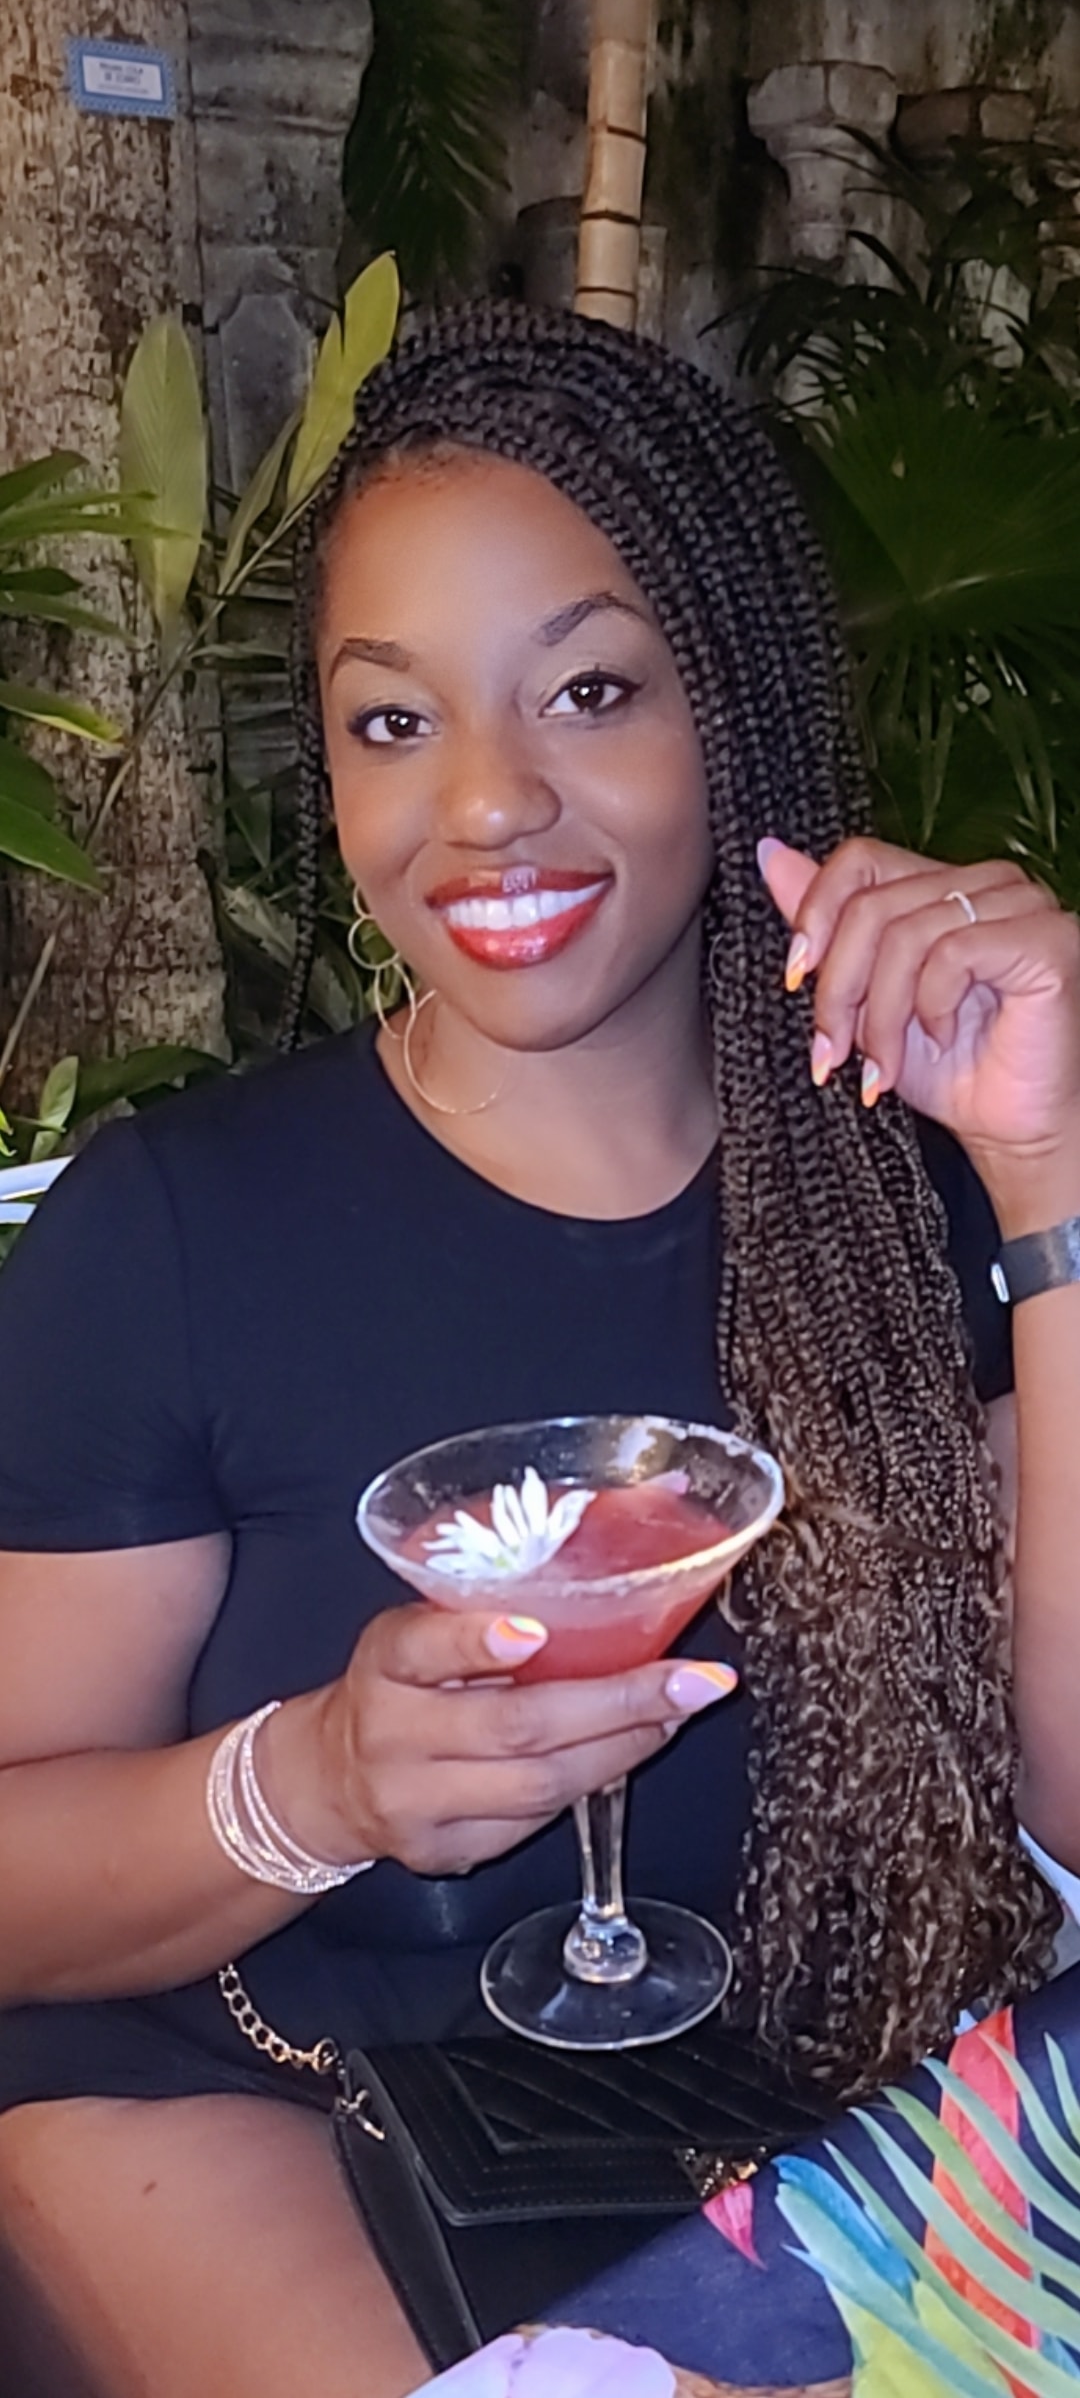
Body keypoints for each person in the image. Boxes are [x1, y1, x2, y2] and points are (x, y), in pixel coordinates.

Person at [0, 299, 1077, 2398]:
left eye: (589, 691)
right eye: (392, 719)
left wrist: (1049, 1176)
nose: (484, 806)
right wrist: (314, 1782)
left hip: (795, 2151)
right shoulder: (179, 1231)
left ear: (733, 711)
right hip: (249, 2105)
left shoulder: (920, 1196)